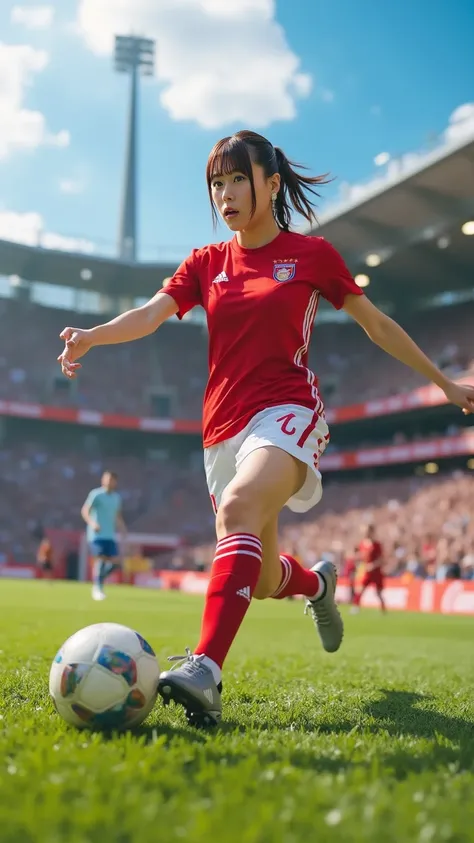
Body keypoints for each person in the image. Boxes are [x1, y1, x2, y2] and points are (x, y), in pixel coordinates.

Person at [57, 129, 474, 727]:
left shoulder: (313, 257)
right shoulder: (205, 263)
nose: (224, 194)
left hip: (287, 411)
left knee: (238, 508)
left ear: (271, 184)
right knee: (262, 570)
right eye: (215, 183)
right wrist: (94, 335)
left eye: (236, 180)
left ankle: (205, 668)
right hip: (220, 430)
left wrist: (443, 382)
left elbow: (377, 325)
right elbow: (151, 315)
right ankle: (316, 587)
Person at [81, 471, 126, 601]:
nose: (107, 481)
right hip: (96, 535)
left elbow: (117, 516)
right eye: (106, 478)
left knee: (117, 563)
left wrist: (123, 529)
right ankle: (98, 588)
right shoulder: (96, 494)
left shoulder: (116, 498)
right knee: (101, 559)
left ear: (115, 482)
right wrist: (92, 523)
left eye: (111, 479)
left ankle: (98, 580)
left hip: (109, 535)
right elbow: (85, 511)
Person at [351, 526, 386, 613]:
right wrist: (358, 563)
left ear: (371, 532)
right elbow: (359, 556)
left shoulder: (376, 545)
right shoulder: (362, 544)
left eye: (367, 531)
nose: (365, 533)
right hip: (366, 571)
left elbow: (381, 559)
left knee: (378, 592)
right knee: (360, 589)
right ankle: (356, 607)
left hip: (376, 572)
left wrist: (373, 565)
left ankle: (383, 608)